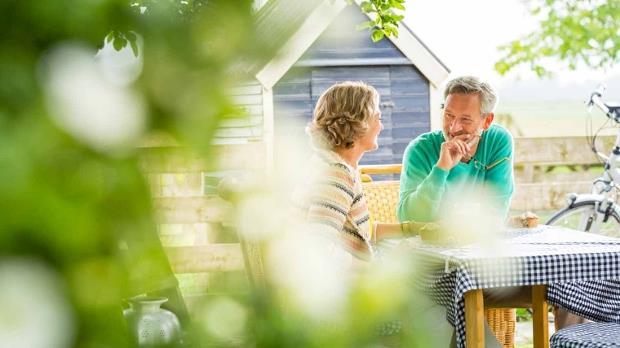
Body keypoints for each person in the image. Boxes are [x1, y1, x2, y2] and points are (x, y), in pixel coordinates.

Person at [294, 81, 415, 267]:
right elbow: (318, 250)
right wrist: (372, 268)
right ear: (359, 122)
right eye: (377, 118)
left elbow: (357, 232)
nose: (380, 127)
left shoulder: (327, 162)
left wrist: (412, 228)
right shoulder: (336, 174)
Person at [397, 75, 513, 223]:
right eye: (449, 115)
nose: (453, 128)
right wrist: (441, 168)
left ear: (487, 121)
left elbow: (495, 211)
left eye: (465, 119)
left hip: (478, 241)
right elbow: (408, 219)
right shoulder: (420, 149)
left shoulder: (498, 141)